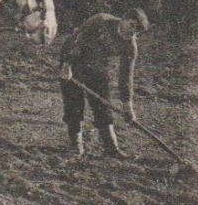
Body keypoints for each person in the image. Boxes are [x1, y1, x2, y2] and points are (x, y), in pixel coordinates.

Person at [59, 8, 149, 158]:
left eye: (137, 30)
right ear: (123, 19)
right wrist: (67, 65)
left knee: (103, 103)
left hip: (97, 64)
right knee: (74, 101)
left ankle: (111, 147)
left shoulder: (130, 47)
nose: (132, 31)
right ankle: (76, 146)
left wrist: (128, 106)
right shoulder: (101, 21)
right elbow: (77, 40)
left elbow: (126, 77)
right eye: (131, 25)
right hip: (74, 57)